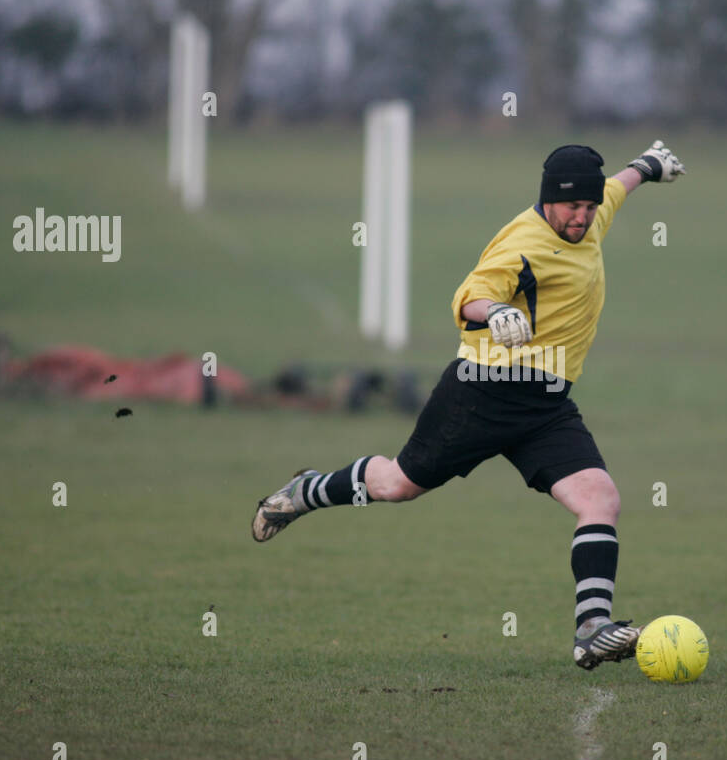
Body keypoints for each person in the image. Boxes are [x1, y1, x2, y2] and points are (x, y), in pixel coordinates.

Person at [252, 140, 686, 670]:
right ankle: (305, 491)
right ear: (549, 200)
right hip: (480, 394)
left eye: (589, 207)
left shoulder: (592, 215)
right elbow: (468, 296)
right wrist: (497, 310)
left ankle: (592, 629)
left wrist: (647, 167)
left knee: (600, 499)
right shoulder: (521, 243)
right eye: (572, 206)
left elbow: (616, 188)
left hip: (546, 407)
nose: (582, 217)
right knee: (397, 485)